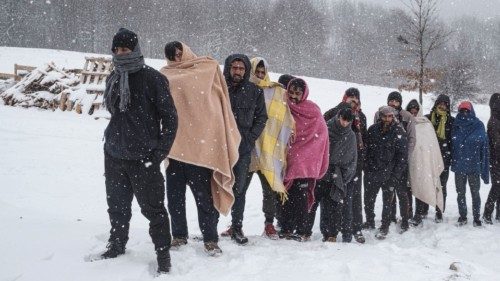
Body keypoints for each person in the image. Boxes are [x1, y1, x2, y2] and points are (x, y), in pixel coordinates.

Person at [101, 28, 178, 274]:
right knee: (117, 206)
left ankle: (162, 253)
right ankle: (117, 243)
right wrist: (112, 144)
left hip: (144, 157)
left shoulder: (153, 79)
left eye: (125, 49)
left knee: (153, 209)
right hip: (114, 154)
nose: (121, 54)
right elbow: (116, 113)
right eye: (117, 50)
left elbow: (171, 118)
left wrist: (159, 152)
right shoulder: (113, 77)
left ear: (135, 50)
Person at [160, 42, 241, 255]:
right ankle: (178, 235)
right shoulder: (165, 75)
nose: (177, 59)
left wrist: (212, 132)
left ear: (186, 51)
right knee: (174, 197)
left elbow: (216, 104)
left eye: (179, 54)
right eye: (173, 56)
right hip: (176, 147)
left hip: (201, 149)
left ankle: (210, 239)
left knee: (204, 199)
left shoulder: (206, 68)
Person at [243, 57, 295, 239]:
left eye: (262, 72)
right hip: (248, 148)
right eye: (256, 72)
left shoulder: (276, 92)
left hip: (268, 149)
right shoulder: (244, 90)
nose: (259, 75)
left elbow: (284, 118)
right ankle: (236, 224)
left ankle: (269, 223)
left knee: (270, 190)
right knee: (240, 188)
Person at [221, 54, 267, 245]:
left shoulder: (254, 91)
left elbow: (261, 118)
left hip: (243, 147)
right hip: (220, 146)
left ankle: (237, 227)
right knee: (216, 186)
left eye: (241, 68)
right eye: (234, 67)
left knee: (239, 189)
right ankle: (210, 228)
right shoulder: (219, 88)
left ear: (246, 70)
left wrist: (248, 139)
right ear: (228, 68)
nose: (237, 71)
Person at [280, 78, 330, 241]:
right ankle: (286, 227)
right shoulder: (283, 106)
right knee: (286, 195)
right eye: (291, 92)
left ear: (304, 94)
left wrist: (310, 152)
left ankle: (301, 230)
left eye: (297, 93)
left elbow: (322, 134)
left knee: (300, 196)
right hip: (288, 158)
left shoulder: (312, 109)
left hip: (305, 161)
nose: (293, 96)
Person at [305, 108, 357, 242]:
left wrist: (343, 177)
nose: (344, 123)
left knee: (333, 206)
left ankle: (331, 234)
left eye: (348, 121)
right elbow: (315, 149)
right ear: (338, 116)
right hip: (320, 172)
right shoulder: (325, 128)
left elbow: (352, 159)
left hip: (336, 175)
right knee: (312, 203)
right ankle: (304, 231)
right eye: (343, 119)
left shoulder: (351, 136)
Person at [323, 87, 368, 243]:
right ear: (345, 98)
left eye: (357, 101)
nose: (354, 104)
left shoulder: (361, 116)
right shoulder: (333, 112)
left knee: (354, 198)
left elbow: (364, 138)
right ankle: (330, 230)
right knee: (331, 198)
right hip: (334, 164)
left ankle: (355, 228)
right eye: (351, 100)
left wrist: (361, 159)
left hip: (354, 163)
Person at [364, 106, 408, 239]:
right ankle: (370, 221)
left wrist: (395, 175)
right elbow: (367, 150)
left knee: (387, 202)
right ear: (380, 116)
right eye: (385, 116)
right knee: (368, 199)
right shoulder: (372, 130)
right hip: (373, 172)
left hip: (389, 173)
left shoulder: (399, 131)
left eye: (390, 116)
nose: (387, 119)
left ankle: (385, 226)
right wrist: (367, 167)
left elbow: (402, 156)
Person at [405, 100, 445, 226]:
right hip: (408, 161)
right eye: (411, 108)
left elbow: (431, 145)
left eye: (415, 108)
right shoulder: (404, 123)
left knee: (420, 186)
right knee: (407, 189)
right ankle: (408, 213)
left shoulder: (426, 124)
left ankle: (419, 214)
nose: (413, 110)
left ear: (419, 109)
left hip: (423, 162)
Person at [417, 94, 455, 223]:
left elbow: (452, 142)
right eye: (440, 103)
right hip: (428, 158)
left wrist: (449, 156)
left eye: (445, 104)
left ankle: (439, 211)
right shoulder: (427, 119)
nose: (442, 106)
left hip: (444, 159)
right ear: (436, 103)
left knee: (442, 186)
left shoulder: (451, 121)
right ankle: (424, 209)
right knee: (427, 184)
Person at [451, 101, 490, 227]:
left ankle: (476, 217)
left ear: (471, 111)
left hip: (473, 165)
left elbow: (483, 143)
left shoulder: (478, 125)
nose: (465, 113)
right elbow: (452, 143)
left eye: (467, 110)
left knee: (475, 193)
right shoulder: (455, 125)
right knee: (460, 193)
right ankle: (463, 216)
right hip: (459, 166)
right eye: (462, 110)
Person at [483, 93, 500, 224]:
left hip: (495, 158)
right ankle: (487, 213)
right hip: (496, 159)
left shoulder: (495, 118)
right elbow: (496, 142)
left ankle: (498, 213)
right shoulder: (494, 120)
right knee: (497, 186)